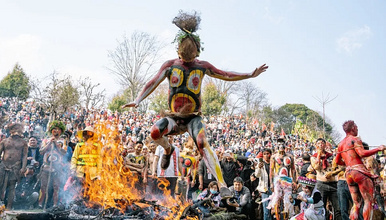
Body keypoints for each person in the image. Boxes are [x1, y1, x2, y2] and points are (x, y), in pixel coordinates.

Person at [122, 11, 268, 197]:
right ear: (178, 52)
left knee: (201, 142)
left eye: (190, 57)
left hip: (192, 119)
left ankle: (222, 185)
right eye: (184, 57)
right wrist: (138, 100)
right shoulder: (170, 65)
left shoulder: (202, 66)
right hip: (173, 117)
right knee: (154, 132)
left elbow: (226, 74)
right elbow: (153, 81)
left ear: (197, 52)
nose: (186, 60)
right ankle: (168, 148)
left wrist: (249, 74)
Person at [335, 120, 386, 220]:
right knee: (368, 201)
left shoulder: (341, 144)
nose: (357, 128)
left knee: (356, 204)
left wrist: (348, 165)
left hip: (349, 174)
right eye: (356, 126)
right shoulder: (355, 139)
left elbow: (337, 161)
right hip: (359, 172)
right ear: (353, 128)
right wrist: (378, 149)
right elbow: (362, 153)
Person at [38, 120, 67, 209]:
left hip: (57, 168)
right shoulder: (46, 140)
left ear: (61, 131)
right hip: (46, 168)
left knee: (56, 187)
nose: (56, 131)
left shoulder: (63, 141)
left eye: (58, 129)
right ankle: (40, 204)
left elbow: (64, 152)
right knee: (43, 187)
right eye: (54, 129)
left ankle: (55, 205)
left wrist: (56, 144)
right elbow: (41, 151)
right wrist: (49, 143)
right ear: (51, 130)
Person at [311, 138, 341, 220]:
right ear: (316, 146)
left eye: (322, 143)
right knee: (321, 207)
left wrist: (332, 173)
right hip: (321, 184)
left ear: (325, 145)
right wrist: (319, 155)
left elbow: (338, 168)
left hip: (333, 184)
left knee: (338, 208)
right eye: (319, 143)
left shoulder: (331, 156)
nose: (320, 145)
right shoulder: (313, 157)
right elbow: (316, 167)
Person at [0, 123, 28, 209]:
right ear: (10, 130)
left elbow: (24, 156)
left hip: (15, 167)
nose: (16, 130)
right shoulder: (4, 141)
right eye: (14, 128)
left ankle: (9, 206)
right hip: (3, 166)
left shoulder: (23, 143)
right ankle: (1, 206)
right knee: (0, 185)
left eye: (18, 128)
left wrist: (23, 168)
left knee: (12, 187)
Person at [255, 148, 273, 220]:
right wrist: (259, 168)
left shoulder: (273, 164)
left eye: (267, 154)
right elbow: (257, 175)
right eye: (264, 154)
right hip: (264, 189)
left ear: (270, 155)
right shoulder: (260, 165)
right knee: (266, 210)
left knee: (275, 208)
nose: (266, 156)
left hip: (273, 189)